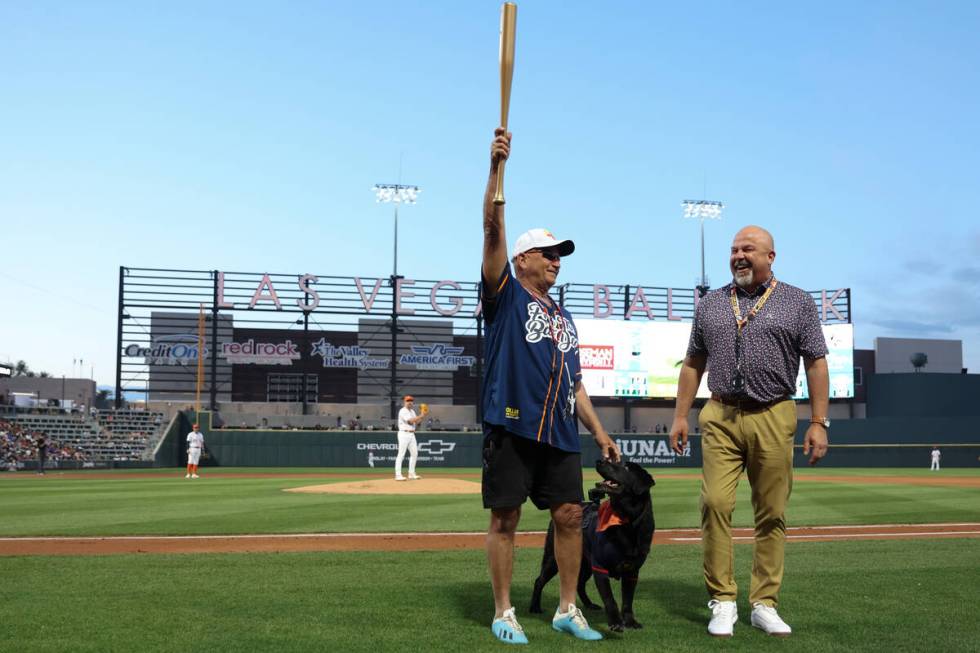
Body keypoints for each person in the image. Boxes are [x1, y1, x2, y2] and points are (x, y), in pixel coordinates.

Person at [481, 127, 621, 645]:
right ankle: (503, 610)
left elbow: (577, 385)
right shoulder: (505, 296)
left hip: (561, 430)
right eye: (546, 252)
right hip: (513, 423)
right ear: (522, 260)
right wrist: (496, 170)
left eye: (559, 253)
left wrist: (601, 434)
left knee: (568, 515)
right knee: (507, 517)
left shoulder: (565, 318)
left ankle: (567, 608)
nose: (556, 259)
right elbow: (492, 231)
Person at [670, 225, 829, 639]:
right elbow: (692, 362)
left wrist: (818, 421)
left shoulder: (797, 301)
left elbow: (815, 362)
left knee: (772, 512)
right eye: (735, 249)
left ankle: (764, 603)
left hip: (773, 412)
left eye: (749, 249)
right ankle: (723, 600)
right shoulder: (712, 303)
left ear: (770, 257)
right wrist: (681, 415)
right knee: (716, 503)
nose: (739, 255)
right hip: (721, 413)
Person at [395, 395, 427, 481]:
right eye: (408, 401)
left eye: (411, 400)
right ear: (404, 402)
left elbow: (417, 422)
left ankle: (411, 473)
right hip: (404, 433)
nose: (410, 402)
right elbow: (410, 421)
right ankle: (398, 475)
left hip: (412, 434)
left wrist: (423, 415)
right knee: (401, 454)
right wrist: (420, 415)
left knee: (414, 454)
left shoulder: (412, 411)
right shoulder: (403, 411)